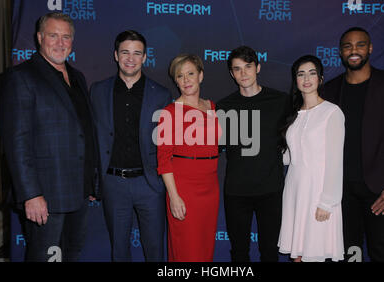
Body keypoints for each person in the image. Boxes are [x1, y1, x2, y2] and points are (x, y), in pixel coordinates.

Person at [0, 12, 100, 262]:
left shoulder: (77, 77)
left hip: (79, 191)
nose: (60, 42)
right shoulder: (21, 77)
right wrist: (31, 194)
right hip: (45, 195)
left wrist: (90, 180)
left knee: (72, 254)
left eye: (66, 37)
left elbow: (83, 130)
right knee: (44, 257)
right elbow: (17, 143)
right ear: (39, 37)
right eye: (53, 35)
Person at [323, 27, 384, 262]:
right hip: (342, 193)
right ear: (340, 52)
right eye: (348, 46)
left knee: (381, 254)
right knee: (349, 256)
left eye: (360, 45)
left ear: (370, 48)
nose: (353, 50)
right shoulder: (330, 90)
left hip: (380, 191)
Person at [90, 30, 172, 261]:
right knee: (119, 250)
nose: (130, 58)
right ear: (116, 55)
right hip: (113, 184)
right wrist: (94, 181)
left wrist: (160, 183)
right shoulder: (98, 91)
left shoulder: (161, 94)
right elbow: (91, 139)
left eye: (137, 53)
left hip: (149, 185)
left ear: (145, 57)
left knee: (155, 250)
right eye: (125, 52)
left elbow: (167, 144)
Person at [216, 46, 291, 262]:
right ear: (231, 73)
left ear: (258, 67)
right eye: (237, 69)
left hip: (271, 191)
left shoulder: (281, 102)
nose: (243, 74)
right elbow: (215, 147)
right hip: (237, 192)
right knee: (239, 253)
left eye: (248, 67)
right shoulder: (224, 106)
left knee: (269, 252)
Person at [277, 55, 345, 262]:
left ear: (321, 79)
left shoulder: (332, 112)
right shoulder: (294, 115)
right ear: (296, 81)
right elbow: (289, 157)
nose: (306, 79)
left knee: (313, 254)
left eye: (312, 73)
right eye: (301, 74)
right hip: (295, 191)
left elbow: (335, 161)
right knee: (298, 255)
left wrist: (327, 201)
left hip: (318, 193)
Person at [157, 54, 221, 262]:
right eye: (180, 76)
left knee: (205, 249)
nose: (186, 80)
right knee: (187, 251)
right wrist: (174, 197)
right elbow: (164, 160)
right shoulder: (170, 112)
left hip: (210, 188)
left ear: (201, 76)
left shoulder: (212, 107)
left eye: (190, 74)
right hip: (184, 189)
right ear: (176, 81)